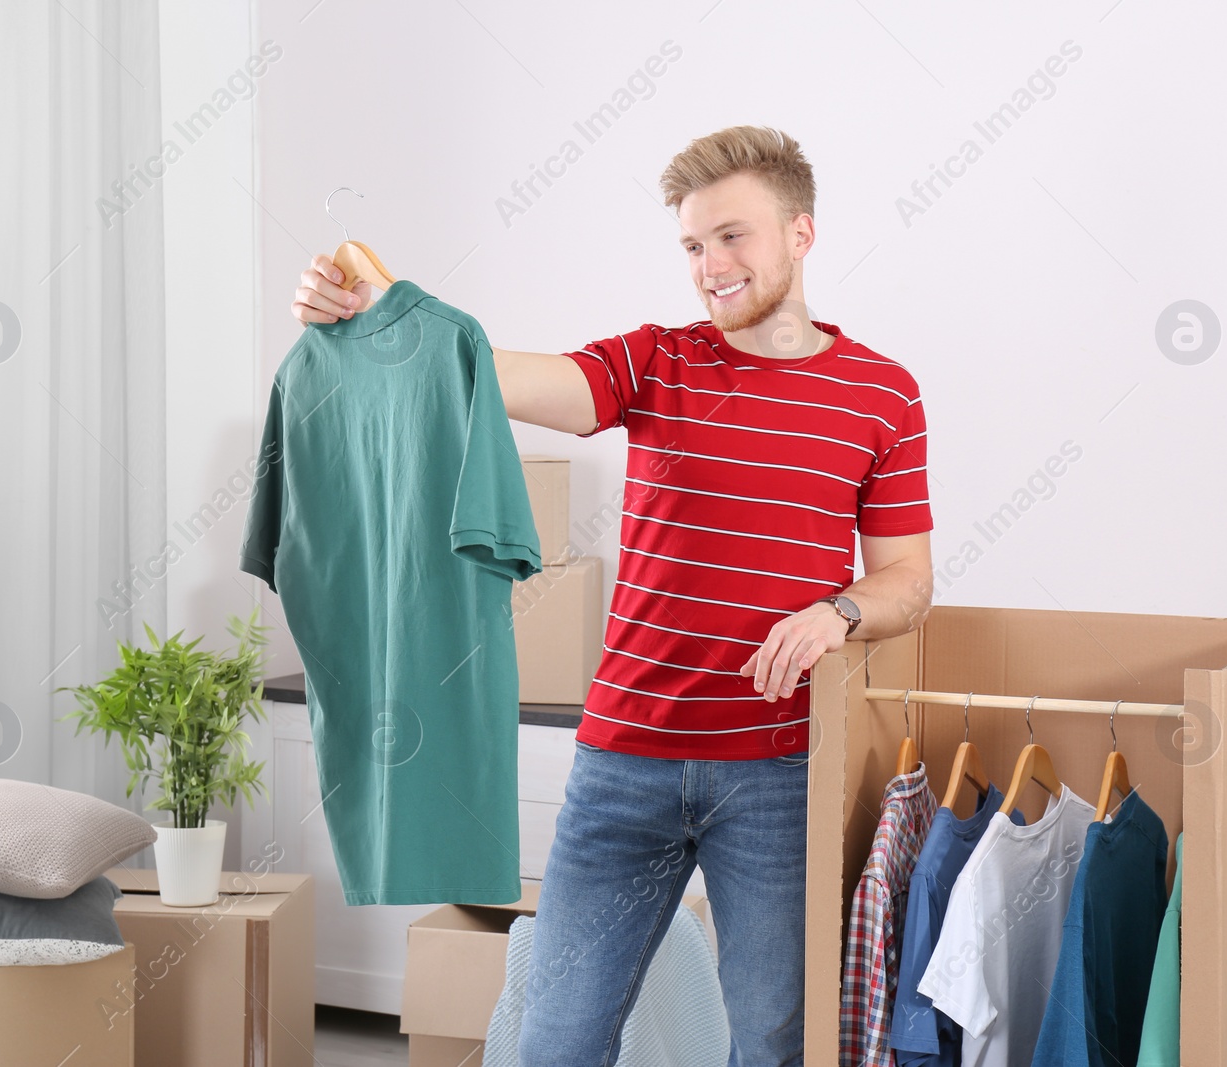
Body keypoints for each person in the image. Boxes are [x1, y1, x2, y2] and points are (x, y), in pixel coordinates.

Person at [291, 125, 934, 1066]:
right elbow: (492, 373)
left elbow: (908, 581)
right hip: (622, 764)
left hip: (777, 773)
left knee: (773, 1042)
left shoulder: (883, 395)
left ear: (802, 234)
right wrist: (380, 313)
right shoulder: (655, 363)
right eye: (691, 245)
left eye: (732, 236)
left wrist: (835, 611)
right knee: (555, 1038)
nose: (710, 266)